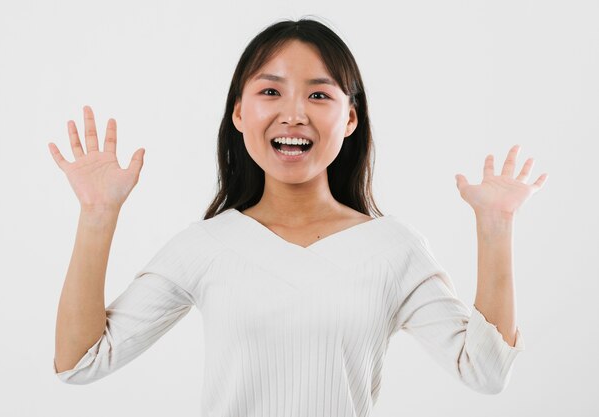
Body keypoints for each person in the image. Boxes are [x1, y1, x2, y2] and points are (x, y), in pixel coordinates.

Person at [49, 17, 547, 416]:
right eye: (270, 92)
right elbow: (80, 362)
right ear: (239, 113)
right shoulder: (206, 246)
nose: (294, 113)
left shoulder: (394, 249)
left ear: (350, 118)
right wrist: (97, 214)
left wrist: (495, 226)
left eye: (318, 94)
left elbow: (485, 373)